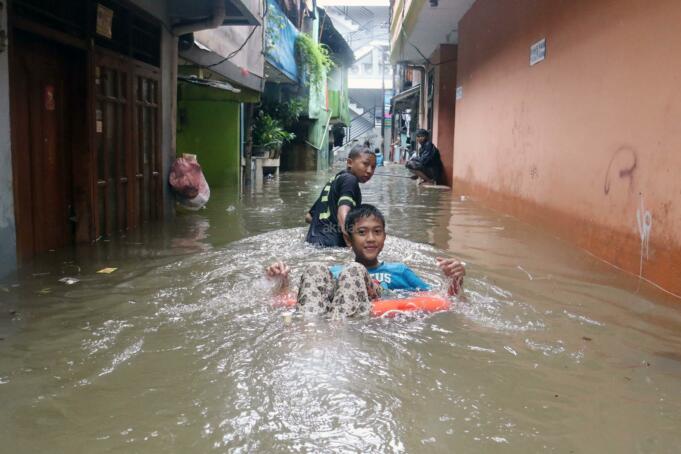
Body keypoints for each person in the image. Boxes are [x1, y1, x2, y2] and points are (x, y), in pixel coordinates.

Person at [268, 204, 465, 317]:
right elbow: (293, 299)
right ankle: (308, 336)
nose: (371, 238)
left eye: (377, 232)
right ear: (348, 239)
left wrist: (455, 280)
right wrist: (281, 282)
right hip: (338, 306)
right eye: (362, 233)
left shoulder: (400, 272)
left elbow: (445, 301)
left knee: (354, 270)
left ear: (384, 238)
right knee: (314, 269)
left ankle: (339, 332)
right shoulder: (335, 272)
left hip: (369, 311)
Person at [304, 145, 376, 247]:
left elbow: (309, 216)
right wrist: (351, 243)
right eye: (365, 164)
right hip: (331, 246)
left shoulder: (334, 180)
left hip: (311, 243)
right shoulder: (350, 180)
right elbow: (343, 213)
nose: (369, 171)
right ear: (350, 163)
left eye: (373, 167)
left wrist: (325, 227)